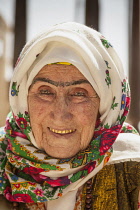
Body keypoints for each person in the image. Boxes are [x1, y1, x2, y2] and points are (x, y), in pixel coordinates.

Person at [0, 22, 140, 210]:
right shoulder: (4, 158)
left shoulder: (133, 168)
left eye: (79, 93)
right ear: (23, 100)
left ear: (106, 105)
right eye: (45, 91)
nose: (60, 114)